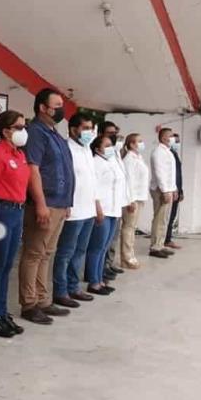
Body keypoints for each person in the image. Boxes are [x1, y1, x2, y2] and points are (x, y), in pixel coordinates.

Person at [18, 89, 75, 325]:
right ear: (43, 107)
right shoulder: (36, 132)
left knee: (46, 253)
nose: (61, 108)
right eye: (57, 104)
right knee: (33, 253)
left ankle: (43, 299)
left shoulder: (56, 134)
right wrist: (40, 204)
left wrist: (67, 203)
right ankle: (29, 304)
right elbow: (33, 169)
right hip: (46, 203)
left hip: (60, 203)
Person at [0, 110, 30, 337]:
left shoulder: (19, 154)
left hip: (17, 211)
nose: (23, 131)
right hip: (2, 211)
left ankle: (2, 312)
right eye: (19, 127)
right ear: (6, 131)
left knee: (7, 266)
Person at [52, 113, 99, 309]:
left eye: (90, 128)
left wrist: (96, 205)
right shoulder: (66, 148)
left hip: (88, 209)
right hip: (73, 210)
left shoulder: (87, 149)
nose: (89, 132)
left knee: (80, 251)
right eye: (85, 128)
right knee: (65, 253)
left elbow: (92, 179)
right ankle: (60, 291)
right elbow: (63, 178)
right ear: (73, 129)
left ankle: (74, 286)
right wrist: (66, 204)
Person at [85, 135, 125, 295]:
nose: (110, 148)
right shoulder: (96, 163)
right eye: (106, 145)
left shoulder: (110, 162)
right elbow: (93, 188)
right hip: (103, 209)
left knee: (104, 247)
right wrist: (97, 208)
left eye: (111, 145)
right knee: (97, 247)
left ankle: (100, 279)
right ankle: (93, 282)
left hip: (113, 209)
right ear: (97, 149)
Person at [99, 121, 127, 279]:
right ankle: (99, 270)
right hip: (105, 205)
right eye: (110, 133)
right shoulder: (101, 156)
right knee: (102, 242)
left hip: (117, 203)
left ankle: (108, 264)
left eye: (115, 132)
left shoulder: (116, 152)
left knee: (112, 238)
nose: (114, 135)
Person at [121, 133, 150, 268]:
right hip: (133, 198)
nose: (142, 143)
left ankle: (130, 255)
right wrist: (130, 200)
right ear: (132, 144)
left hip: (139, 197)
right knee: (128, 227)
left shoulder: (138, 157)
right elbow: (129, 181)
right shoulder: (129, 159)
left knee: (132, 228)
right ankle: (126, 257)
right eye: (139, 141)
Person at [149, 127, 178, 258]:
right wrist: (166, 191)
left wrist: (174, 188)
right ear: (163, 138)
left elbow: (170, 174)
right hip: (161, 190)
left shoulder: (168, 151)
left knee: (165, 219)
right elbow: (160, 173)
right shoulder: (158, 152)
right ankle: (155, 247)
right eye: (170, 136)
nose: (173, 138)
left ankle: (160, 244)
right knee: (159, 219)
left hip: (168, 189)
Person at [165, 133, 184, 250]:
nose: (177, 144)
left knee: (172, 216)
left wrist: (181, 190)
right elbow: (170, 176)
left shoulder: (175, 154)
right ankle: (165, 240)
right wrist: (174, 189)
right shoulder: (169, 155)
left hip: (177, 189)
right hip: (171, 190)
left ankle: (168, 238)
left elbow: (178, 175)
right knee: (167, 217)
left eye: (178, 141)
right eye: (175, 141)